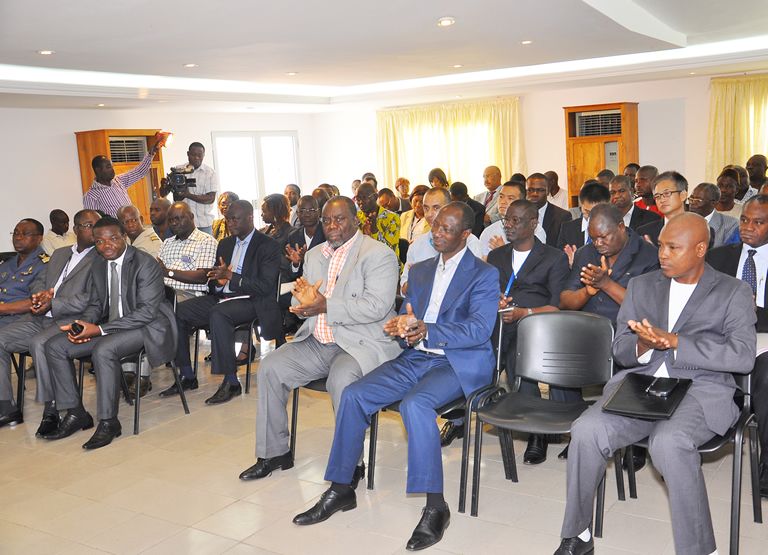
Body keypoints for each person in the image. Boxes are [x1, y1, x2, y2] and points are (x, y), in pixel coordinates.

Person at [291, 203, 499, 552]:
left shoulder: (483, 274)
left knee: (415, 405)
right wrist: (401, 327)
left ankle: (436, 507)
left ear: (465, 235)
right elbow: (407, 317)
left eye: (447, 229)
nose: (437, 233)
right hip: (417, 356)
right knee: (354, 394)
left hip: (457, 362)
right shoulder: (420, 271)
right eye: (435, 226)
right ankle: (341, 488)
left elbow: (479, 330)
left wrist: (426, 329)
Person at [554, 213, 756, 555]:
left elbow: (742, 357)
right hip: (642, 388)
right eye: (661, 245)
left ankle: (699, 550)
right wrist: (642, 345)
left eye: (673, 248)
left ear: (700, 249)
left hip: (701, 389)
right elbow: (620, 349)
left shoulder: (733, 291)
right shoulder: (642, 285)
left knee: (669, 441)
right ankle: (578, 534)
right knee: (586, 430)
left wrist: (676, 342)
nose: (662, 254)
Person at [238, 196, 401, 483]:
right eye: (326, 220)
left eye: (339, 219)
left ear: (355, 220)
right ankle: (274, 453)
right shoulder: (314, 256)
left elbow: (376, 307)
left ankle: (351, 465)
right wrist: (303, 305)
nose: (332, 225)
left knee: (341, 380)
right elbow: (308, 299)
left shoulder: (378, 254)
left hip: (359, 344)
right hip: (317, 340)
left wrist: (324, 305)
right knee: (271, 367)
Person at [41, 217, 176, 449]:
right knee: (55, 346)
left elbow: (147, 312)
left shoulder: (145, 263)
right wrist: (82, 325)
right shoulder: (99, 263)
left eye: (113, 238)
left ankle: (109, 422)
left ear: (124, 237)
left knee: (104, 350)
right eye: (100, 241)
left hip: (146, 327)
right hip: (112, 326)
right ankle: (75, 412)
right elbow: (95, 304)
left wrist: (100, 330)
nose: (106, 246)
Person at [560, 203, 659, 469]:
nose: (598, 243)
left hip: (629, 333)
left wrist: (605, 284)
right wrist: (587, 292)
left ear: (622, 227)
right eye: (593, 238)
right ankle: (579, 431)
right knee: (557, 357)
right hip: (589, 333)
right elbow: (566, 300)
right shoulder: (586, 253)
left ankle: (634, 440)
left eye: (604, 237)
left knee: (634, 357)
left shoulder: (648, 255)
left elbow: (646, 308)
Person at [162, 200, 282, 404]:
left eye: (235, 219)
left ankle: (231, 381)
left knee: (220, 313)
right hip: (222, 297)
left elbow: (265, 286)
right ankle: (187, 375)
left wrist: (231, 277)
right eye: (228, 219)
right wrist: (217, 283)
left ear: (250, 218)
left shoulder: (267, 245)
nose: (230, 223)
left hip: (253, 301)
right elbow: (213, 282)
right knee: (178, 311)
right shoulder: (225, 244)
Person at [0, 210, 100, 429]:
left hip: (70, 318)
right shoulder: (60, 254)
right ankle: (5, 406)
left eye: (97, 225)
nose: (95, 230)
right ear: (75, 229)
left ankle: (51, 408)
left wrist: (53, 303)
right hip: (39, 317)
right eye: (88, 225)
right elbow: (40, 282)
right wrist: (39, 295)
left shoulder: (100, 258)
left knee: (40, 344)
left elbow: (91, 298)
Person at [488, 199, 570, 463]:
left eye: (516, 220)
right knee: (481, 352)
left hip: (538, 326)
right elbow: (486, 293)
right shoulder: (497, 256)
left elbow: (557, 306)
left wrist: (524, 313)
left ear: (534, 223)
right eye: (506, 220)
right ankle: (472, 411)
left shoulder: (553, 257)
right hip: (500, 324)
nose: (508, 225)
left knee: (518, 354)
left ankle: (537, 432)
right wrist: (496, 301)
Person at [707, 195, 768, 498]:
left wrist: (752, 311)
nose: (748, 227)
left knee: (767, 376)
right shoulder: (718, 258)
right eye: (744, 220)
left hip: (765, 340)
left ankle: (767, 464)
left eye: (758, 222)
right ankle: (682, 444)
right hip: (723, 337)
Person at [401, 187, 483, 295]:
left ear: (450, 208)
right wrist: (415, 279)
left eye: (436, 208)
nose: (429, 214)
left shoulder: (469, 241)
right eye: (426, 208)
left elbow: (473, 286)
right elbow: (404, 290)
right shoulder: (417, 246)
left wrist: (429, 278)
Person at [157, 203, 218, 302]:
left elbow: (202, 277)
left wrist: (168, 272)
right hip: (163, 292)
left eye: (178, 219)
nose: (174, 223)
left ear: (191, 216)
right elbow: (159, 270)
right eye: (170, 220)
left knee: (163, 307)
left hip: (189, 293)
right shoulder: (167, 242)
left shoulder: (206, 241)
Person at [83, 140, 160, 217]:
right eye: (108, 167)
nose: (112, 170)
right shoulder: (91, 196)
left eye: (112, 166)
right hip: (115, 225)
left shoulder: (119, 180)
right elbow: (94, 221)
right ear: (98, 170)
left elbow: (139, 172)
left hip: (133, 222)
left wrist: (151, 154)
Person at [160, 142, 218, 234]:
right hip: (180, 223)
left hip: (203, 223)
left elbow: (210, 199)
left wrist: (188, 195)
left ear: (204, 155)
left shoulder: (210, 173)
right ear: (188, 154)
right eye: (193, 155)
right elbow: (163, 194)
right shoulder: (178, 170)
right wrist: (164, 186)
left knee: (206, 244)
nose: (196, 158)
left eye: (200, 155)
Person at [479, 180, 546, 258]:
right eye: (501, 197)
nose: (503, 202)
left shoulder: (534, 229)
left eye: (510, 198)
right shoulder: (489, 231)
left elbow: (537, 260)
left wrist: (504, 251)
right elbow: (483, 261)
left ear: (521, 202)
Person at [0, 219, 47, 329]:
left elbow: (37, 302)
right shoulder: (7, 263)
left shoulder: (45, 265)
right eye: (16, 233)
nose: (18, 237)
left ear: (39, 238)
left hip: (19, 319)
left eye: (25, 234)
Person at [557, 183, 611, 266]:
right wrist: (570, 265)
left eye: (596, 212)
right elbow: (559, 261)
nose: (591, 217)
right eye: (587, 211)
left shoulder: (612, 231)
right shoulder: (567, 229)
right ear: (581, 206)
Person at [636, 171, 689, 246]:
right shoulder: (644, 232)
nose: (662, 200)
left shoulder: (699, 228)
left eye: (667, 194)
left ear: (683, 195)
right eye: (657, 196)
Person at [355, 182, 400, 261]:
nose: (361, 202)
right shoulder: (356, 218)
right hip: (363, 263)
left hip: (387, 262)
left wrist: (374, 230)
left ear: (375, 197)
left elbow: (390, 250)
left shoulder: (392, 217)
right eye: (358, 199)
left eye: (364, 198)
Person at [526, 172, 572, 247]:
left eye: (540, 190)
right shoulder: (519, 214)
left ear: (548, 191)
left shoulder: (563, 216)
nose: (534, 194)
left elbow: (564, 247)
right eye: (530, 190)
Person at [687, 182, 739, 248]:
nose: (692, 203)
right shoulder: (682, 221)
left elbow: (728, 251)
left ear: (713, 203)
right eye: (691, 199)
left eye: (698, 200)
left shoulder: (730, 224)